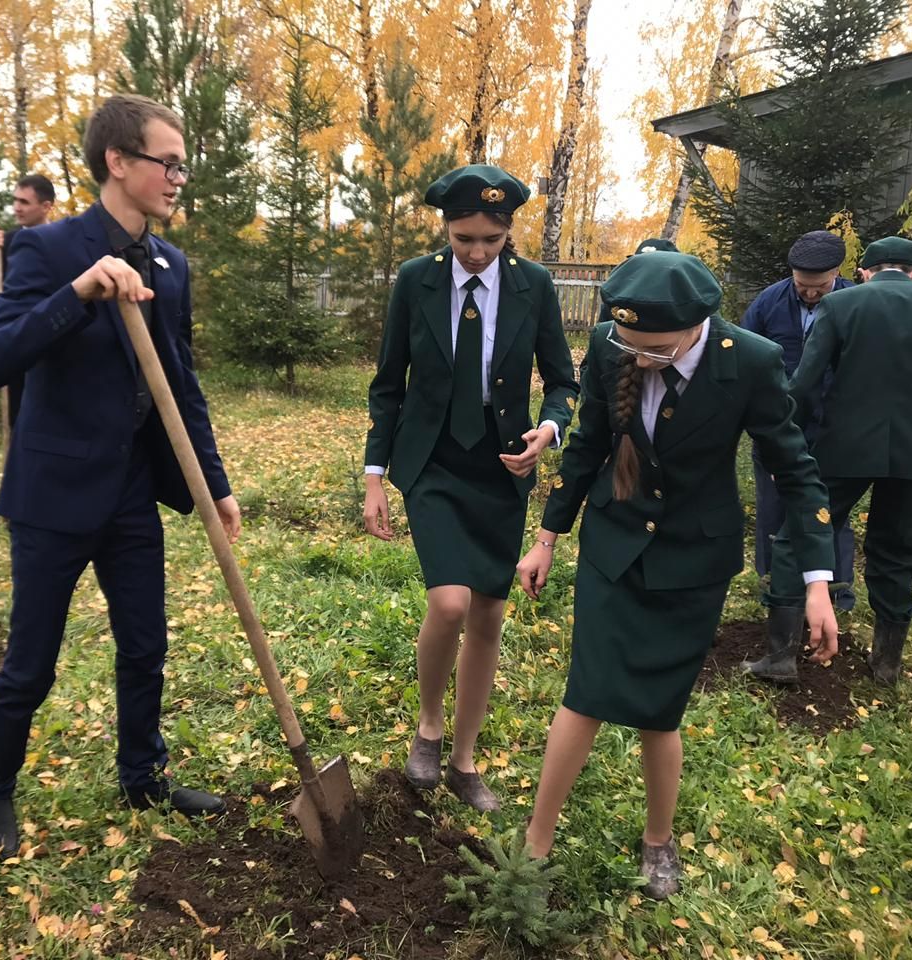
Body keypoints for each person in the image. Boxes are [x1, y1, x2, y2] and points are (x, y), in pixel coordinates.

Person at [0, 94, 241, 859]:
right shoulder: (50, 250)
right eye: (168, 162)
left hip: (128, 493)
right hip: (53, 494)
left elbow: (180, 384)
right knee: (33, 660)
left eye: (183, 164)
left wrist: (212, 485)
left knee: (145, 644)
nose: (179, 177)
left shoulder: (168, 264)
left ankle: (141, 774)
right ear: (118, 162)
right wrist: (80, 292)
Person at [515, 251, 838, 898]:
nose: (641, 360)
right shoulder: (611, 344)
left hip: (694, 562)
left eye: (657, 351)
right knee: (586, 694)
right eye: (632, 346)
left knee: (660, 715)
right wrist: (547, 537)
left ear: (698, 326)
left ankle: (658, 841)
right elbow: (589, 447)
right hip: (615, 549)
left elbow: (796, 470)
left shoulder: (748, 361)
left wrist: (817, 581)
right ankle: (533, 847)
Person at [363, 164, 579, 812]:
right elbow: (387, 385)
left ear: (507, 231)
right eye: (465, 239)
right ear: (447, 230)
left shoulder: (533, 286)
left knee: (487, 613)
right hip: (431, 462)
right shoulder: (415, 282)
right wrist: (375, 476)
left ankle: (463, 757)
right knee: (450, 604)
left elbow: (564, 382)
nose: (479, 252)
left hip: (502, 463)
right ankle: (429, 726)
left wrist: (550, 429)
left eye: (491, 239)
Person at [752, 236, 912, 685]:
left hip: (843, 448)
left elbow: (803, 383)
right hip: (911, 451)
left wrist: (785, 445)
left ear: (864, 271)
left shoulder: (843, 305)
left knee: (798, 535)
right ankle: (886, 663)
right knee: (895, 547)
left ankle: (781, 657)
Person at [742, 230, 857, 612]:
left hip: (833, 427)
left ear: (837, 273)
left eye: (819, 286)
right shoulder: (769, 302)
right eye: (802, 285)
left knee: (829, 510)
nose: (809, 293)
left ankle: (837, 589)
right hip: (778, 424)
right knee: (774, 507)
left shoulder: (856, 302)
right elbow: (747, 354)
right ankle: (778, 586)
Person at [0, 174, 56, 429]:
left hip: (53, 338)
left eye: (24, 202)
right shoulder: (6, 244)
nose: (17, 208)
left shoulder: (63, 241)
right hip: (18, 338)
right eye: (15, 200)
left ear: (46, 207)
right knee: (19, 417)